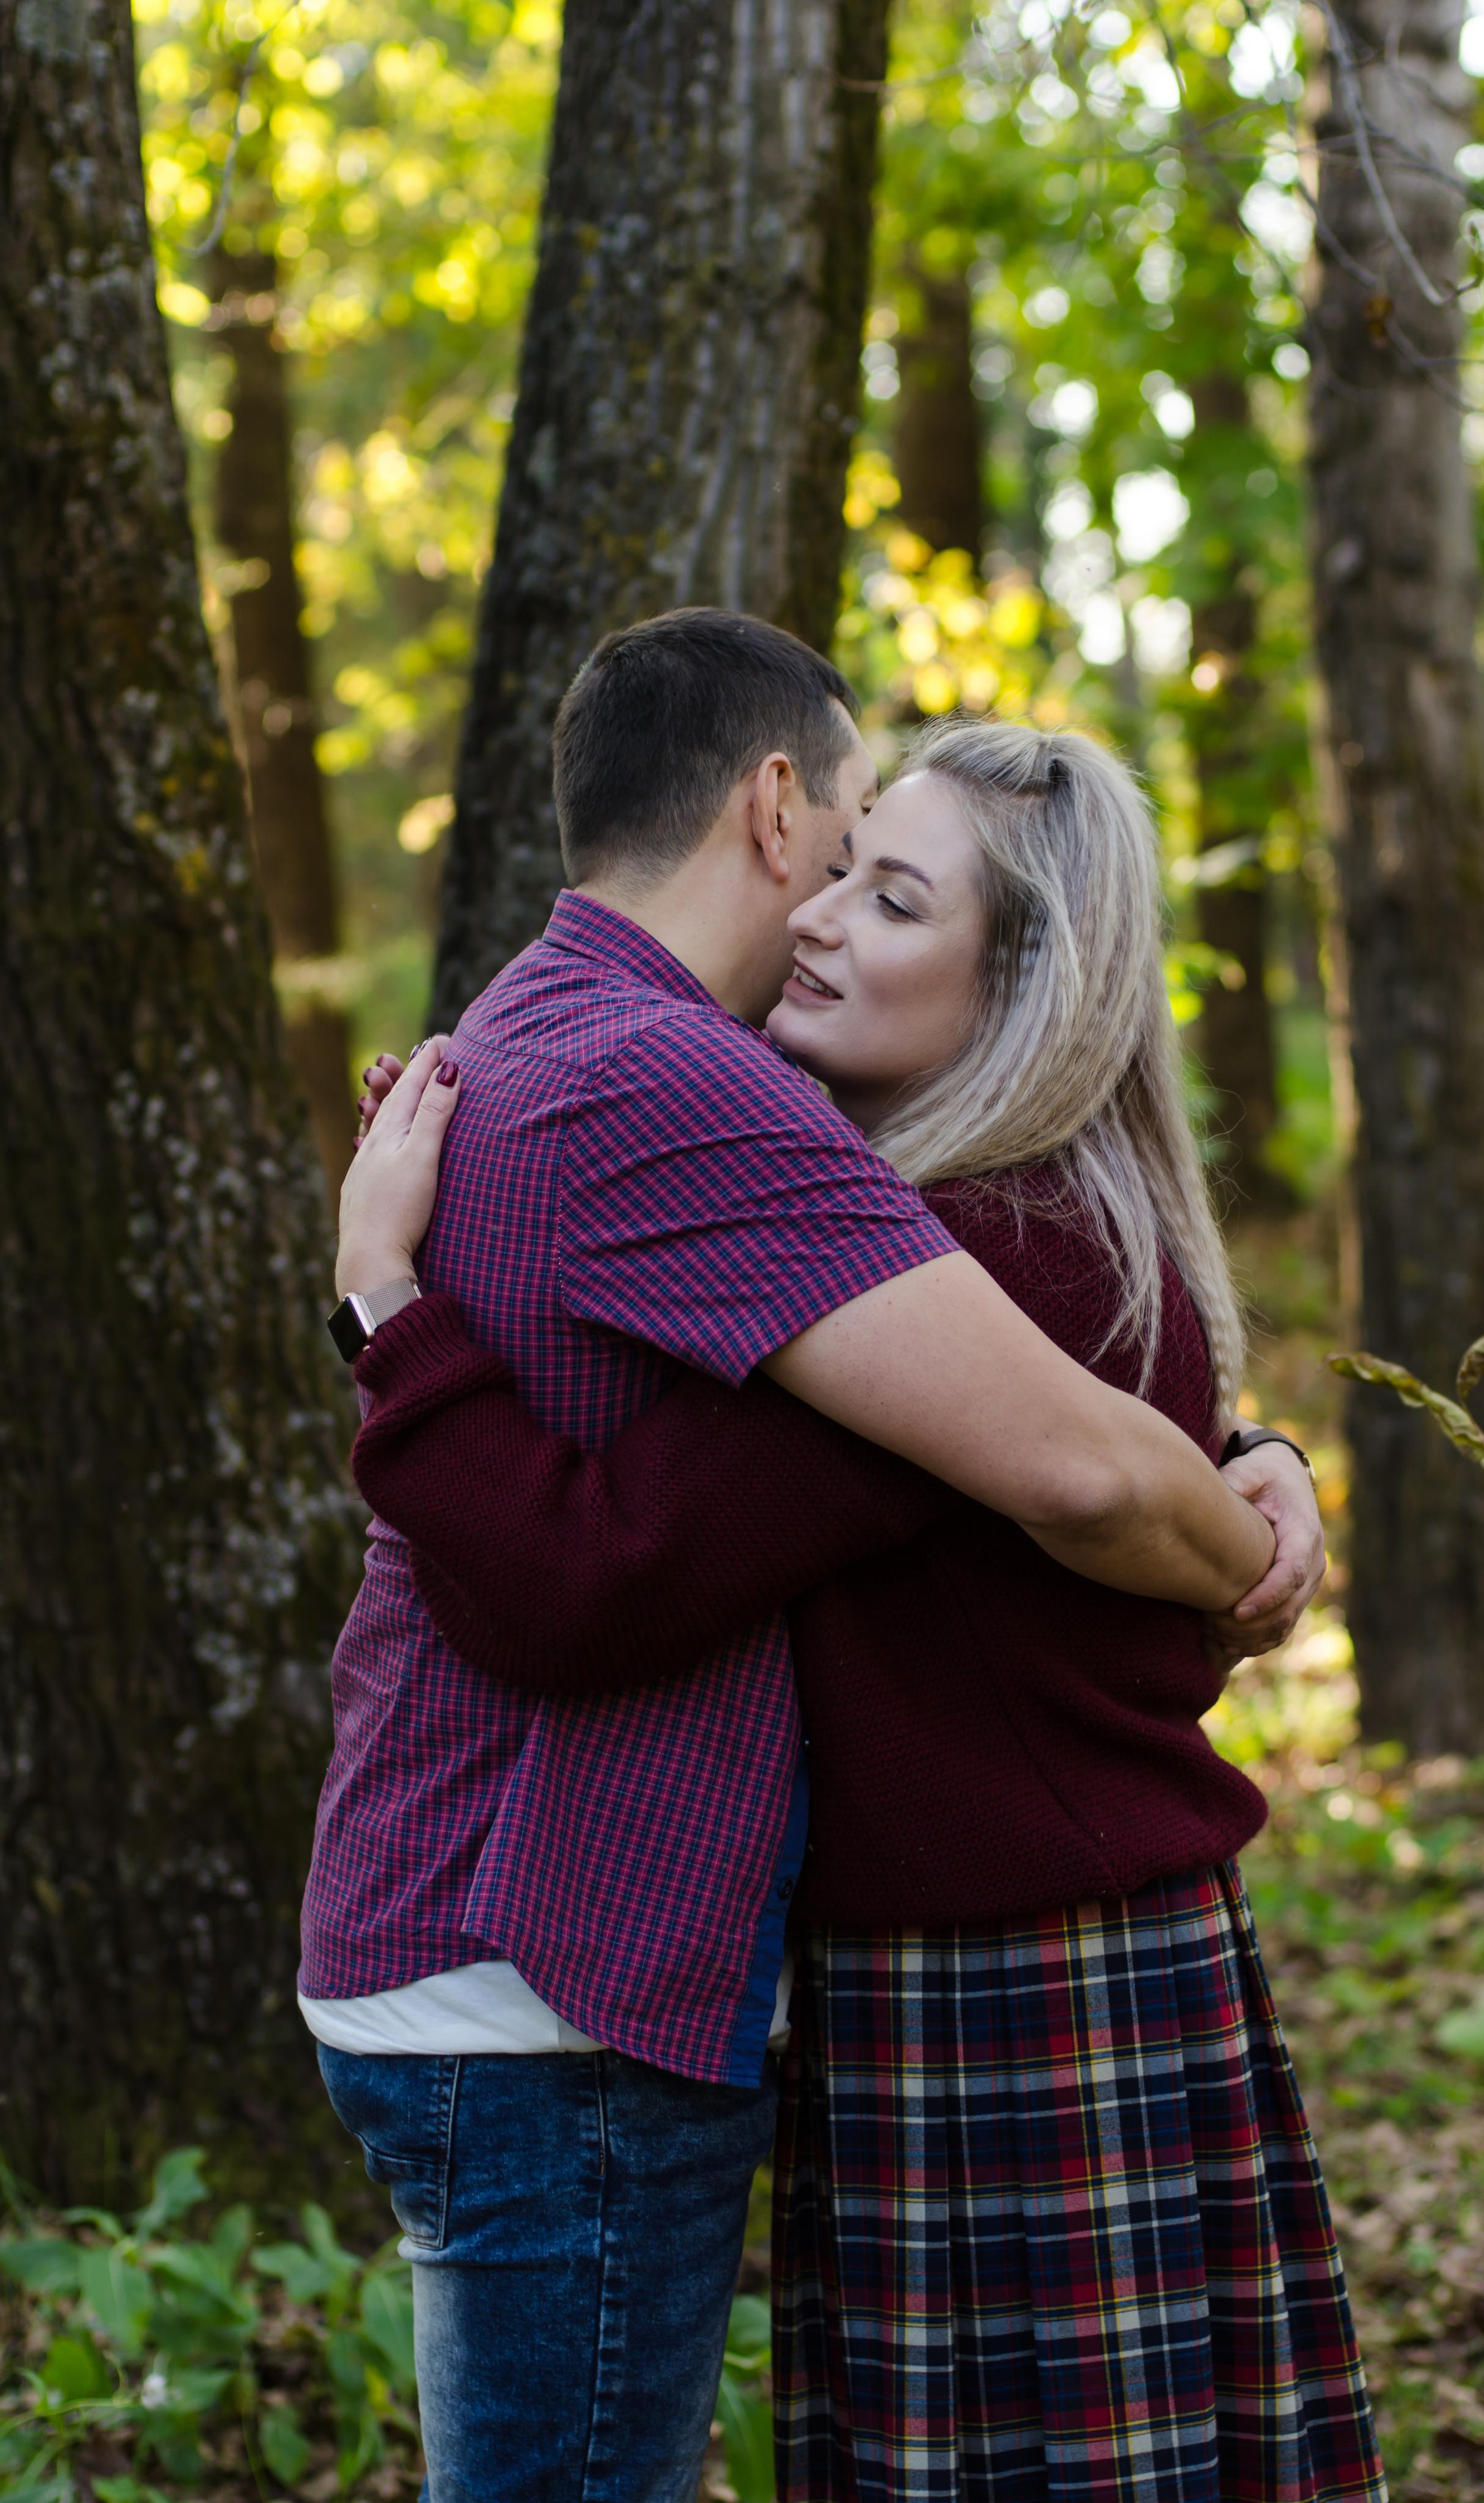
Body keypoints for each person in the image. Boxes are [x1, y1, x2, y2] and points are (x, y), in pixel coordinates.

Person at [337, 710, 1373, 2500]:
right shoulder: (982, 1226)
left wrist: (382, 1299)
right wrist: (1254, 1460)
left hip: (1026, 1997)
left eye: (892, 904)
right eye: (836, 870)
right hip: (990, 1966)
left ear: (1025, 988)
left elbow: (589, 1573)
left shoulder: (955, 1268)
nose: (815, 921)